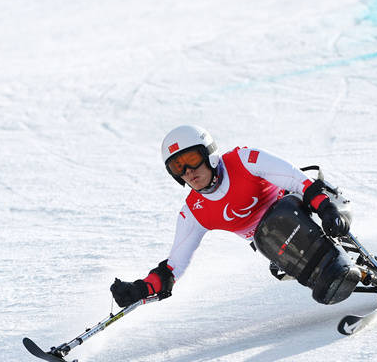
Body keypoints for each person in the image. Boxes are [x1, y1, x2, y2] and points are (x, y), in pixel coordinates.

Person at [110, 124, 360, 308]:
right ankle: (346, 277)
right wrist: (141, 289)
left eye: (191, 160)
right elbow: (174, 266)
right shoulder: (194, 212)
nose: (188, 171)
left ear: (208, 153)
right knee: (270, 236)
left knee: (284, 217)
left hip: (310, 212)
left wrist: (325, 208)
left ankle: (366, 263)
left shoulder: (243, 161)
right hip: (280, 243)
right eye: (178, 167)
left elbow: (298, 181)